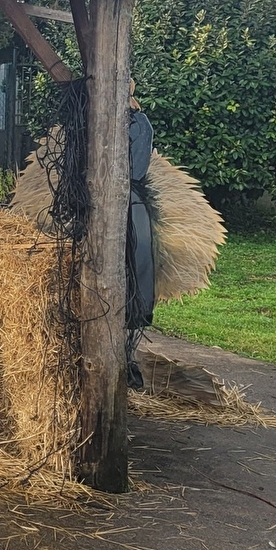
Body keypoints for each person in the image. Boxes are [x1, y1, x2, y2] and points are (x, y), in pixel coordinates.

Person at [126, 80, 156, 390]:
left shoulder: (137, 124)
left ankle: (125, 362)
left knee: (134, 273)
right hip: (121, 206)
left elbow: (131, 171)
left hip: (127, 209)